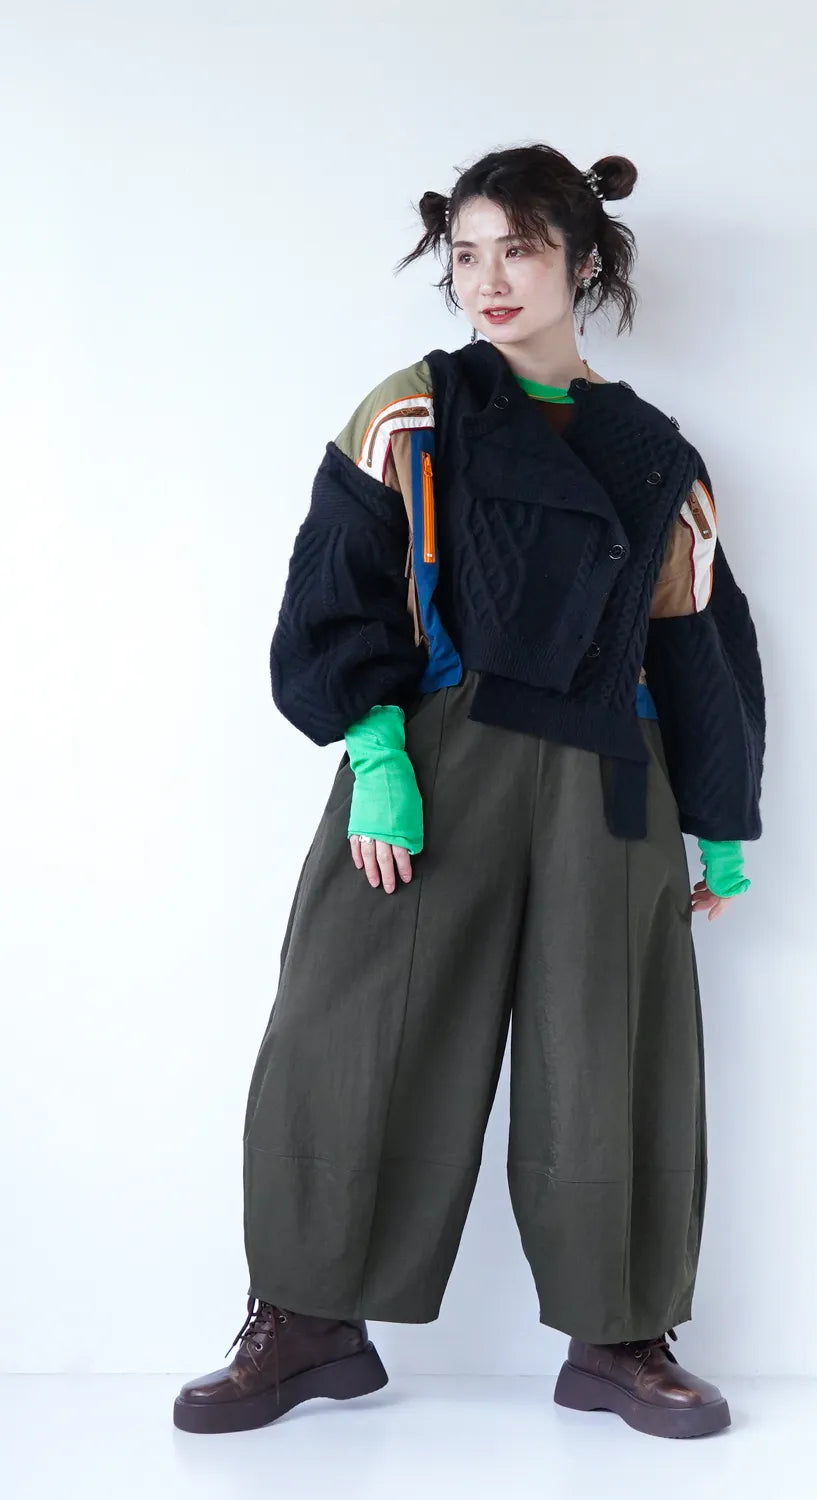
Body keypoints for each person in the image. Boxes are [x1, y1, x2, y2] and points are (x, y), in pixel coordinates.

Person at [172, 143, 765, 1442]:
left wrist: (720, 823)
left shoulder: (657, 456)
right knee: (351, 1021)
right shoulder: (412, 411)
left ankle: (621, 1336)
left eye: (523, 251)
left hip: (612, 775)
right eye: (469, 254)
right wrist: (377, 754)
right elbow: (337, 583)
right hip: (438, 750)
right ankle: (309, 1321)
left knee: (612, 1049)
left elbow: (698, 639)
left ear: (584, 263)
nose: (490, 279)